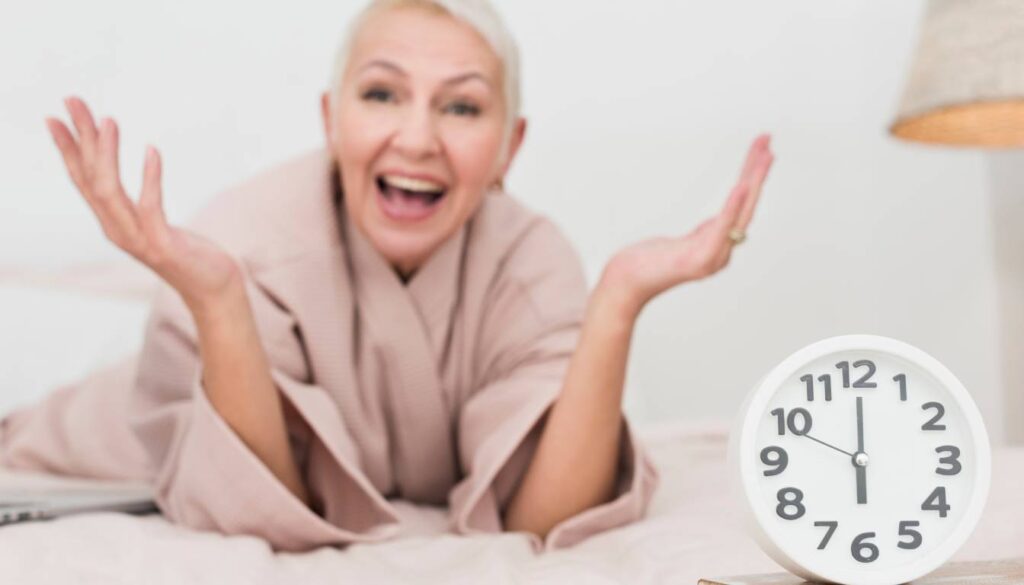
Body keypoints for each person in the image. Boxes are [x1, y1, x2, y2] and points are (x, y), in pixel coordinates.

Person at [22, 0, 773, 553]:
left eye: (462, 106)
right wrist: (219, 302)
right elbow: (257, 505)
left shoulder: (532, 260)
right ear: (330, 118)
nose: (417, 138)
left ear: (510, 145)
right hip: (83, 438)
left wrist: (619, 302)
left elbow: (542, 517)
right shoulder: (242, 239)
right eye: (382, 94)